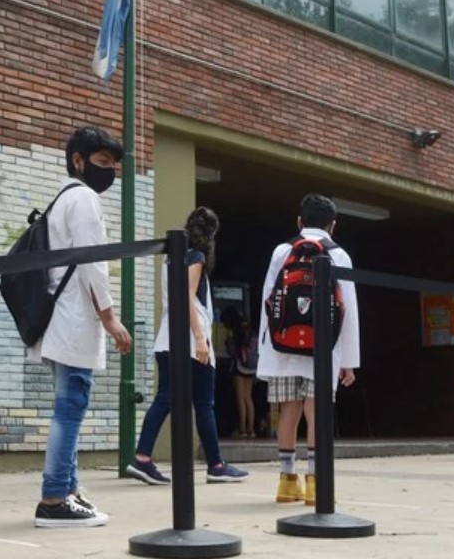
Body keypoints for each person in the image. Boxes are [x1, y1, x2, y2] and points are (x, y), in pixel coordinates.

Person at [30, 126, 132, 528]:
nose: (109, 172)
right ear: (78, 160)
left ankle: (68, 490)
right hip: (73, 320)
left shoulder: (61, 199)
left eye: (113, 165)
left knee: (68, 404)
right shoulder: (84, 198)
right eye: (102, 162)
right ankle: (54, 499)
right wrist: (109, 316)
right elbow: (94, 261)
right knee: (70, 407)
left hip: (60, 319)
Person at [126, 208, 249, 486]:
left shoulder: (171, 259)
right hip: (189, 342)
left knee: (165, 398)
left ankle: (142, 458)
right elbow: (188, 298)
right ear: (211, 235)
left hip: (167, 338)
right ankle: (216, 465)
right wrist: (200, 339)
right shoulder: (196, 257)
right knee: (204, 404)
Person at [257, 194, 359, 505]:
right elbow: (348, 308)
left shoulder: (282, 250)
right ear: (333, 225)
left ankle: (287, 482)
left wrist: (267, 349)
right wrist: (350, 360)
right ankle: (316, 483)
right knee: (317, 412)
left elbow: (268, 298)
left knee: (289, 410)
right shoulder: (339, 255)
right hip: (323, 349)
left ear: (299, 221)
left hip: (283, 346)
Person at [226, 310, 258, 439]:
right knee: (248, 398)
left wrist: (228, 341)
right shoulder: (250, 332)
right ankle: (251, 429)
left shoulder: (235, 333)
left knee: (240, 398)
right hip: (251, 368)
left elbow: (231, 351)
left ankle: (242, 429)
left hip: (239, 368)